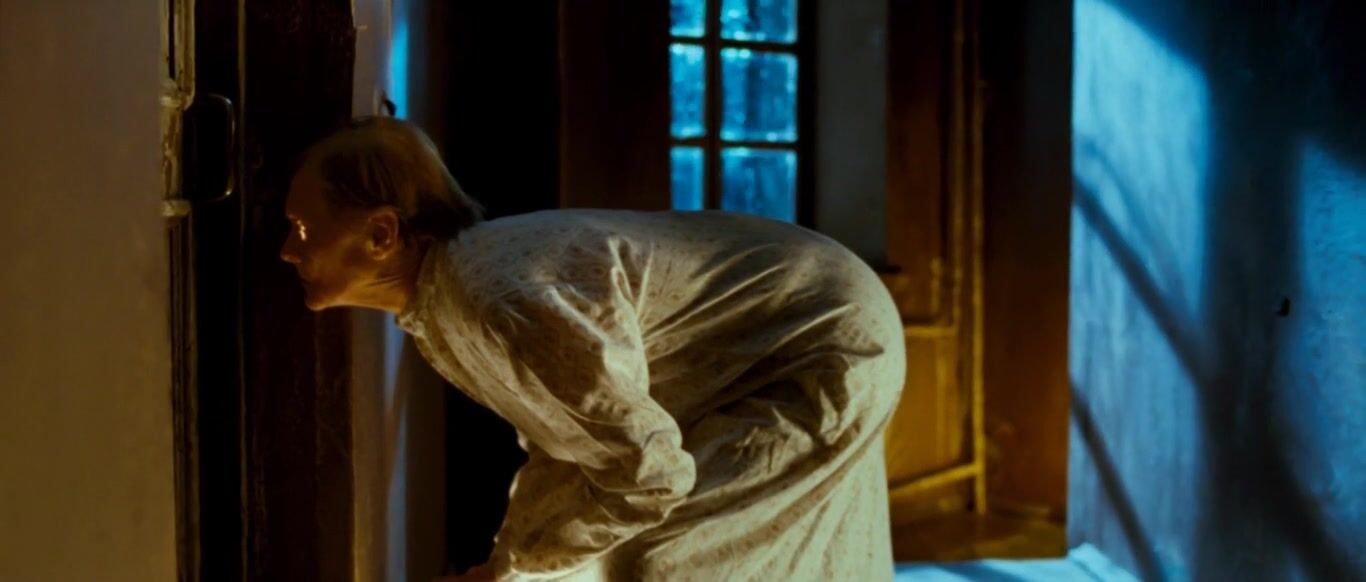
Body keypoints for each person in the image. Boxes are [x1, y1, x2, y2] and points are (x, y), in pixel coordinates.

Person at [280, 117, 906, 582]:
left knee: (666, 562)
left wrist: (516, 570)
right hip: (802, 326)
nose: (288, 251)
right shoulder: (450, 297)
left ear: (382, 233)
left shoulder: (498, 299)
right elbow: (571, 448)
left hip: (821, 338)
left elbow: (649, 475)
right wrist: (506, 568)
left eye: (303, 228)